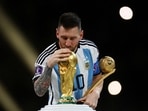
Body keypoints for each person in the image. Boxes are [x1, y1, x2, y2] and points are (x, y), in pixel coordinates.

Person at [32, 12, 104, 110]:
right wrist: (48, 67)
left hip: (84, 108)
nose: (68, 43)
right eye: (64, 38)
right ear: (57, 33)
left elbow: (98, 76)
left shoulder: (90, 49)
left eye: (73, 38)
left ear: (81, 35)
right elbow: (39, 91)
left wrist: (95, 93)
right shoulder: (45, 57)